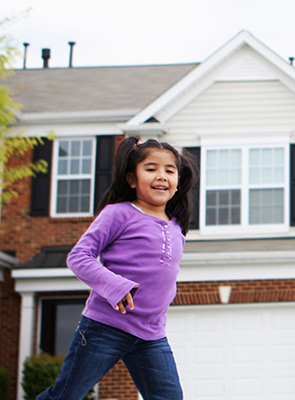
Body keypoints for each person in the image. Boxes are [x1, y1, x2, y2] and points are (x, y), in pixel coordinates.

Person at [37, 138, 196, 400]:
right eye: (151, 168)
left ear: (178, 181)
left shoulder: (177, 226)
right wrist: (115, 286)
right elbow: (79, 256)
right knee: (66, 396)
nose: (161, 176)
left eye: (169, 170)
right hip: (104, 328)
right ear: (132, 179)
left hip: (151, 335)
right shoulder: (118, 214)